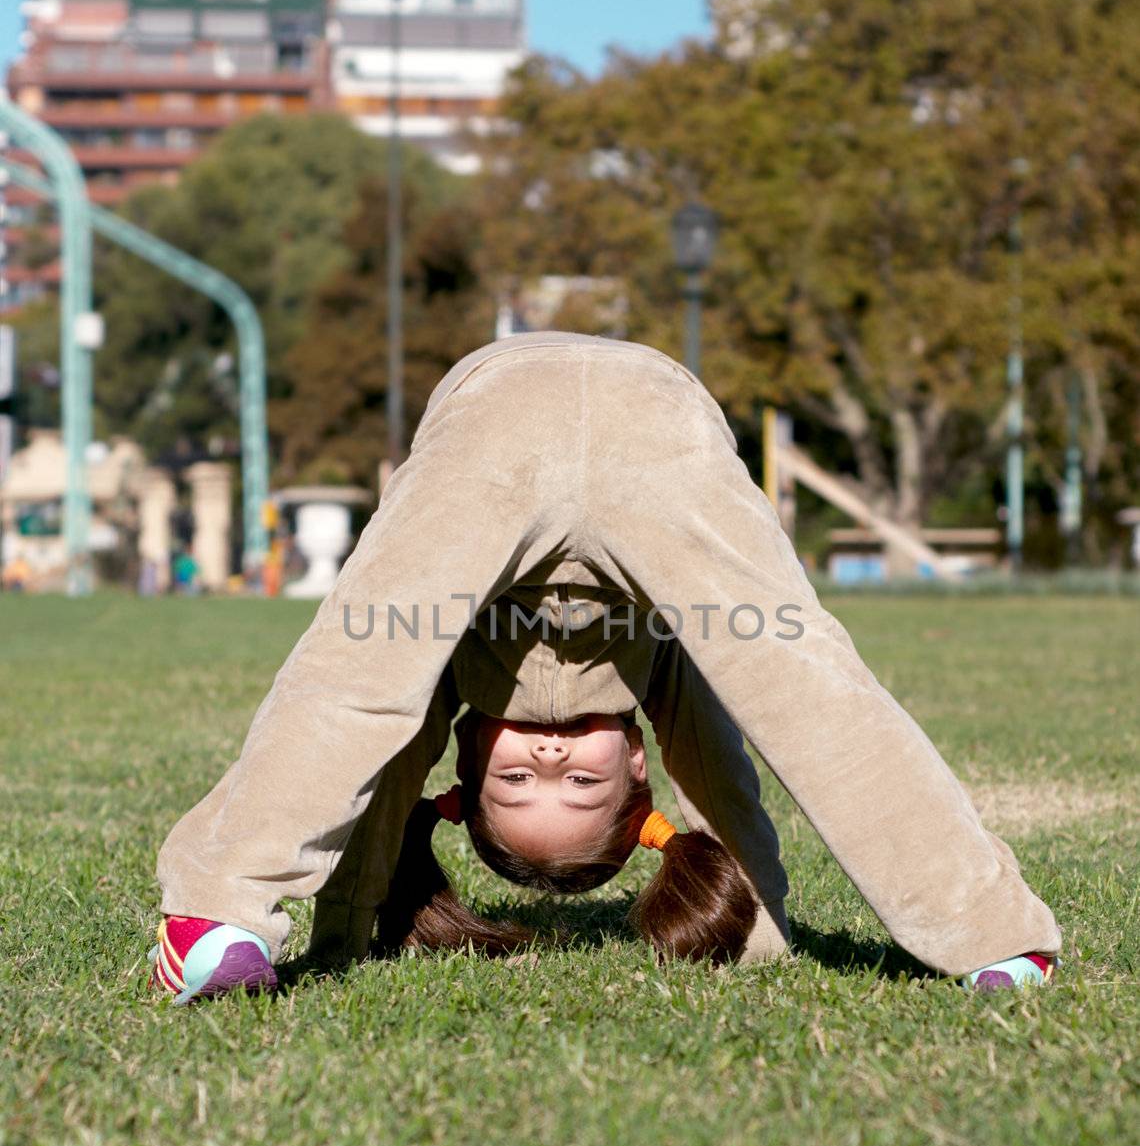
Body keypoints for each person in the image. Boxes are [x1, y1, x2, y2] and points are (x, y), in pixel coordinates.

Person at [149, 331, 1060, 1005]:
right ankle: (990, 932)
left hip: (493, 421)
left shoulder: (452, 682)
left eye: (516, 776)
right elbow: (724, 777)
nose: (547, 757)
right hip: (662, 431)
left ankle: (219, 911)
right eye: (578, 780)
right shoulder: (658, 669)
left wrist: (345, 929)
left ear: (464, 764)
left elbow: (370, 730)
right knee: (798, 672)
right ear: (635, 767)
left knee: (362, 657)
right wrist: (754, 929)